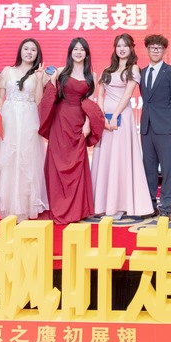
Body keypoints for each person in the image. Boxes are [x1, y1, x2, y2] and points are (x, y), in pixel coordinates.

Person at [38, 37, 104, 225]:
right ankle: (58, 206)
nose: (78, 52)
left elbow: (90, 102)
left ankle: (77, 210)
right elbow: (50, 95)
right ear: (70, 52)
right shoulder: (61, 71)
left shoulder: (92, 75)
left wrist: (88, 123)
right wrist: (48, 80)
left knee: (76, 164)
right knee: (57, 163)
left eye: (82, 49)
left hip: (79, 121)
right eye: (75, 49)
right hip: (60, 120)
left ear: (86, 53)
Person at [92, 34, 153, 219]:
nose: (121, 49)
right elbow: (100, 93)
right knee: (105, 158)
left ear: (131, 48)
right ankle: (102, 203)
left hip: (121, 119)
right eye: (118, 45)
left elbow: (127, 95)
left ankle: (120, 205)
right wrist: (102, 117)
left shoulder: (133, 68)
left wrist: (114, 117)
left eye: (125, 45)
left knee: (120, 158)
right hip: (105, 120)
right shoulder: (107, 69)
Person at [0, 38, 49, 222]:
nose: (29, 52)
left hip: (29, 118)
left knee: (27, 160)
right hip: (9, 118)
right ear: (20, 51)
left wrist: (39, 80)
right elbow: (0, 98)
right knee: (8, 159)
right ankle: (8, 206)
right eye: (26, 49)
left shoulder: (40, 74)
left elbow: (39, 100)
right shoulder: (8, 71)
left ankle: (25, 207)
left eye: (33, 50)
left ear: (37, 54)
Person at [139, 34, 171, 220]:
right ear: (147, 50)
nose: (155, 50)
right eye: (152, 47)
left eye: (159, 48)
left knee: (166, 168)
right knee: (148, 168)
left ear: (164, 51)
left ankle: (166, 206)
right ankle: (149, 204)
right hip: (146, 127)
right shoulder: (141, 72)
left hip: (165, 126)